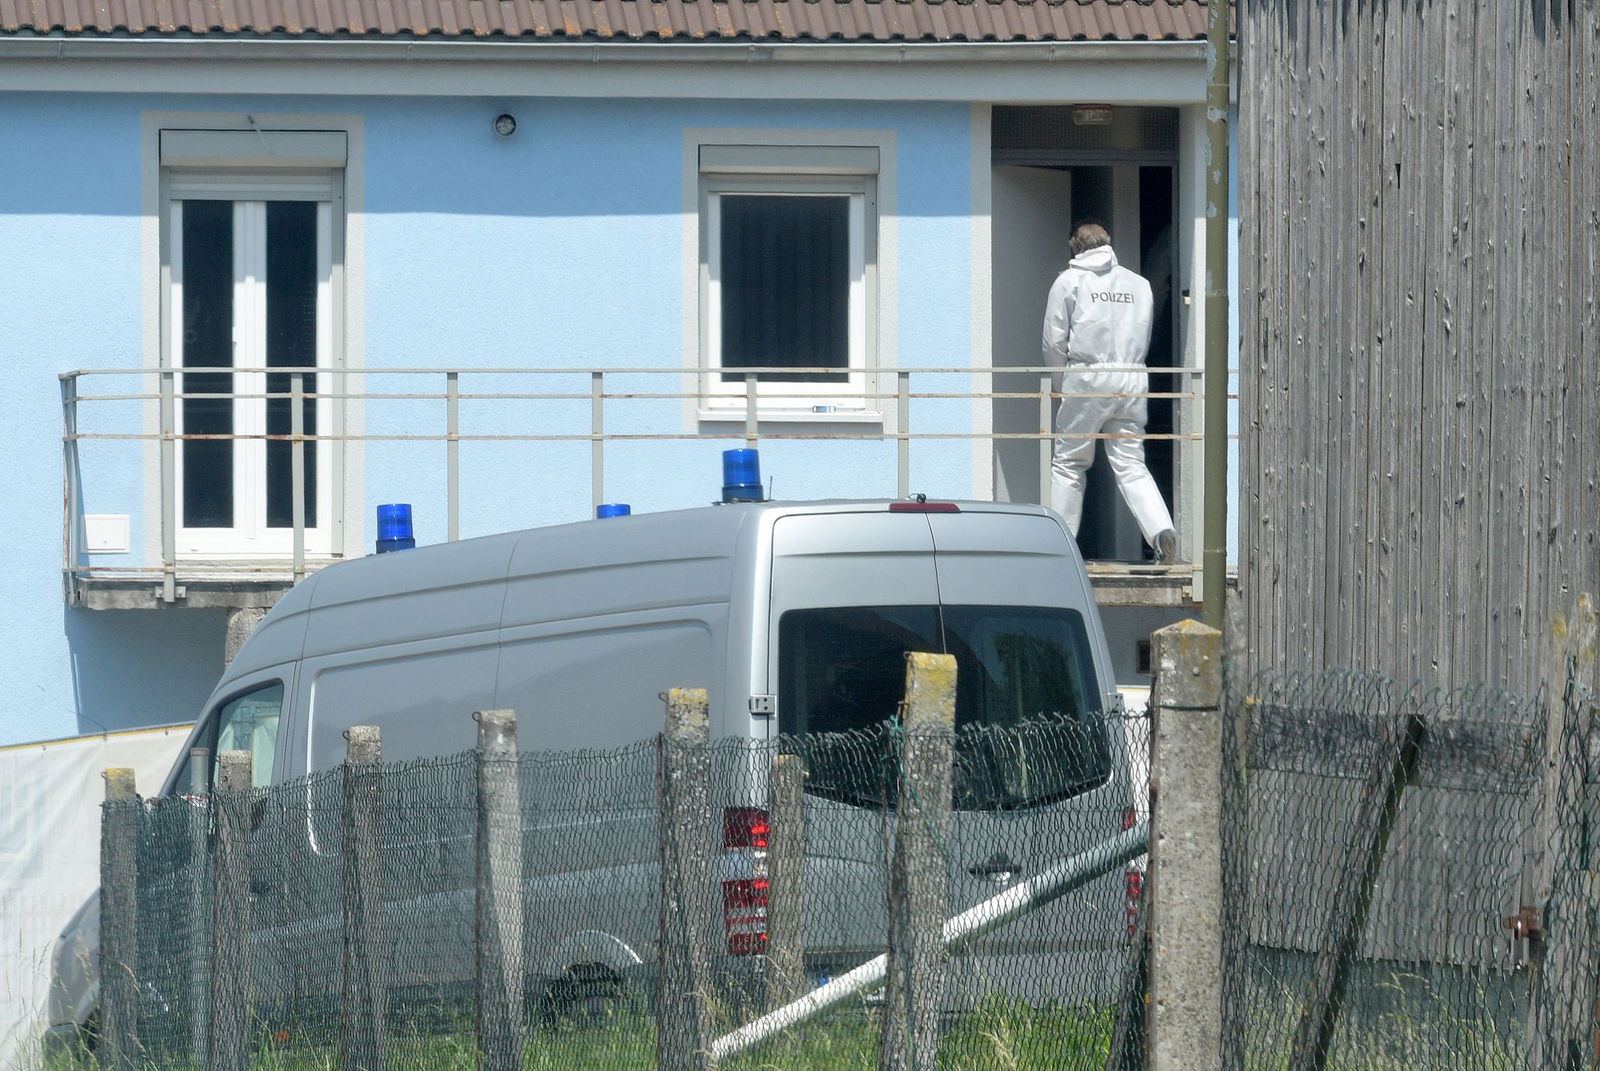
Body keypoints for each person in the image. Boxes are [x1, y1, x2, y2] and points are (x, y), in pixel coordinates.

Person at [1041, 222, 1177, 562]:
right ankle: (1161, 531)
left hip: (1087, 377)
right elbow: (1148, 330)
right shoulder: (1139, 285)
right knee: (1131, 463)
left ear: (1074, 246)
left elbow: (1053, 342)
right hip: (1132, 377)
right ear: (1108, 243)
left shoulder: (1069, 282)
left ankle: (1060, 546)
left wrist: (1062, 386)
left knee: (1069, 463)